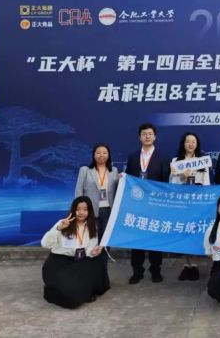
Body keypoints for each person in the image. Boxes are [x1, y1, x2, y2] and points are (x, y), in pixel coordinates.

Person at [41, 196, 109, 308]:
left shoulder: (93, 226)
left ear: (90, 211)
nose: (81, 213)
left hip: (79, 261)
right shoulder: (63, 223)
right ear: (73, 210)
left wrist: (93, 251)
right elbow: (45, 244)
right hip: (59, 262)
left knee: (95, 263)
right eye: (78, 209)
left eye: (85, 209)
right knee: (68, 293)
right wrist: (58, 229)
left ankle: (85, 291)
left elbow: (89, 250)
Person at [125, 122, 170, 284]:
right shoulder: (132, 157)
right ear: (139, 137)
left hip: (155, 205)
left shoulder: (163, 157)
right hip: (137, 205)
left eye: (150, 134)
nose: (147, 136)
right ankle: (137, 271)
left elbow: (166, 182)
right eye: (144, 134)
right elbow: (128, 179)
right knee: (136, 239)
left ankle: (155, 270)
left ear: (155, 137)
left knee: (155, 240)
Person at [170, 132, 210, 281]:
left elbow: (206, 183)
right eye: (188, 141)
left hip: (197, 202)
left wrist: (205, 201)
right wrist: (181, 176)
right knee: (184, 232)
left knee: (195, 233)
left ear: (197, 144)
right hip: (182, 202)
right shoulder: (176, 161)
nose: (191, 144)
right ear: (183, 144)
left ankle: (194, 265)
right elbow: (172, 183)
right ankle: (186, 265)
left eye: (193, 142)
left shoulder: (202, 161)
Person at [75, 143, 119, 242]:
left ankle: (104, 253)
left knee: (106, 238)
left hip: (108, 209)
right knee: (91, 237)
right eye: (98, 153)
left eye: (104, 153)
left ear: (109, 155)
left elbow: (117, 189)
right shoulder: (85, 170)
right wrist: (79, 209)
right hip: (89, 209)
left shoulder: (114, 171)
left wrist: (122, 179)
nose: (101, 155)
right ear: (94, 155)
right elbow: (78, 190)